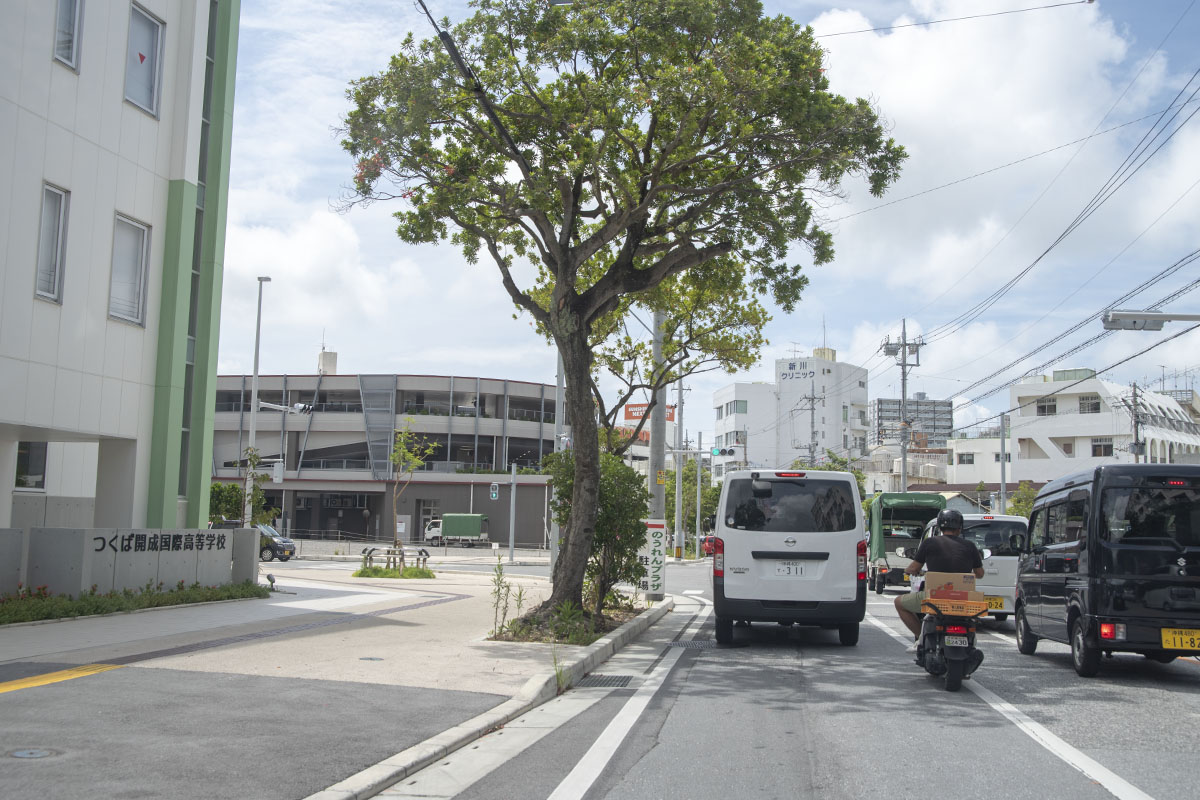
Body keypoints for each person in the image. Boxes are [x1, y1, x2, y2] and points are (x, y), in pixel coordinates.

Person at [894, 508, 984, 649]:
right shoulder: (970, 546)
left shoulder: (930, 543)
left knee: (899, 603)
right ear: (960, 528)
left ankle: (920, 638)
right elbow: (980, 574)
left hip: (935, 597)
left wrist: (910, 571)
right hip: (963, 599)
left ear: (940, 526)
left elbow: (913, 569)